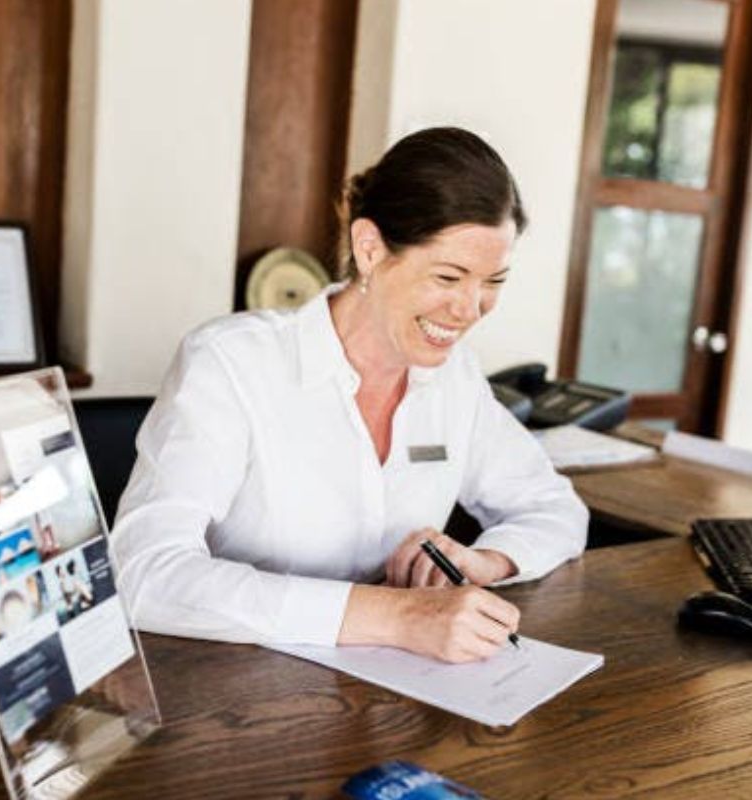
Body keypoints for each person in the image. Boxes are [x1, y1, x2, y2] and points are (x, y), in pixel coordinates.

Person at [111, 127, 588, 663]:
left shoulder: (455, 381)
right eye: (450, 276)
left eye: (493, 281)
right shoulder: (230, 364)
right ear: (369, 248)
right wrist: (395, 617)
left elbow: (556, 509)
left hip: (385, 697)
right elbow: (143, 573)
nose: (470, 308)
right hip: (232, 693)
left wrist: (489, 560)